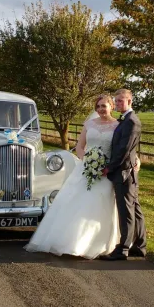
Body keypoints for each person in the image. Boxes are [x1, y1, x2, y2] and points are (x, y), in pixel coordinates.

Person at [24, 94, 127, 259]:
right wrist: (87, 162)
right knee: (76, 201)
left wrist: (106, 166)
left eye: (104, 106)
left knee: (101, 204)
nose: (100, 109)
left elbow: (122, 148)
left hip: (106, 172)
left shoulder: (117, 126)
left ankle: (96, 243)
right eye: (98, 106)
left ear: (111, 106)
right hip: (86, 169)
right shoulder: (89, 124)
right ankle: (70, 242)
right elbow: (80, 146)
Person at [99, 89, 147, 261]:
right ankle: (140, 246)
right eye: (116, 101)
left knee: (125, 211)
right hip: (128, 171)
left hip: (124, 173)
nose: (118, 103)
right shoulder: (126, 120)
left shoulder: (131, 122)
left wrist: (109, 168)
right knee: (135, 209)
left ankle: (123, 249)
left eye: (120, 101)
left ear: (129, 101)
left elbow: (123, 150)